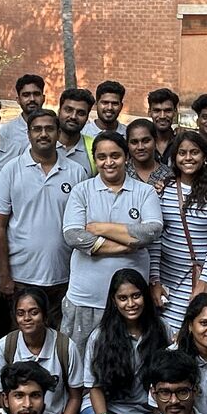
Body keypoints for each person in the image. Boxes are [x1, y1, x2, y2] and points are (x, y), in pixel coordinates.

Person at [60, 131, 164, 347]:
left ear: (126, 157)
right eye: (101, 157)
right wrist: (127, 246)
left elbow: (152, 231)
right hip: (87, 296)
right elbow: (73, 235)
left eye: (115, 156)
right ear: (95, 159)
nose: (109, 162)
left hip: (131, 300)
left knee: (129, 360)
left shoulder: (145, 192)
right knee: (79, 363)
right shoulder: (82, 191)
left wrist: (101, 228)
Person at [0, 107, 86, 319]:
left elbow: (83, 225)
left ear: (58, 133)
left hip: (64, 276)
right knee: (18, 341)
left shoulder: (76, 172)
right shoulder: (11, 170)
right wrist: (4, 274)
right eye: (37, 129)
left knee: (58, 341)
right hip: (21, 276)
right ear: (28, 134)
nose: (43, 134)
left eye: (49, 129)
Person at [80, 269, 171, 414]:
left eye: (136, 296)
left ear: (145, 297)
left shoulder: (162, 329)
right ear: (114, 301)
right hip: (104, 409)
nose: (130, 303)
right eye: (123, 298)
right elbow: (94, 387)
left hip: (144, 413)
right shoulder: (100, 336)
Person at [154, 130, 207, 338]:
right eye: (182, 153)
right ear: (174, 158)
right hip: (167, 281)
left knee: (191, 337)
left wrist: (204, 282)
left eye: (194, 152)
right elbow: (155, 239)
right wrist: (155, 280)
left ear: (205, 157)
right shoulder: (164, 189)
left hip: (197, 280)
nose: (188, 158)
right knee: (165, 338)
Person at [0, 286, 81, 414]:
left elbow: (75, 397)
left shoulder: (65, 347)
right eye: (20, 313)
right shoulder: (4, 347)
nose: (27, 318)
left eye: (34, 312)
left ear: (44, 315)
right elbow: (0, 392)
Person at [0, 72, 47, 155]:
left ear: (43, 98)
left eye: (36, 94)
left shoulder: (54, 127)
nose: (32, 99)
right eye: (26, 95)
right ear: (18, 100)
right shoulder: (7, 131)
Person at [53, 85, 95, 173]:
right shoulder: (42, 143)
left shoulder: (95, 148)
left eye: (81, 113)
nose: (73, 117)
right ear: (59, 111)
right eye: (68, 110)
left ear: (87, 117)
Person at [124, 117, 169, 190]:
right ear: (127, 144)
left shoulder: (169, 175)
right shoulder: (121, 173)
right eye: (134, 142)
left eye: (146, 141)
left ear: (155, 141)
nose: (140, 147)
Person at [144, 86, 180, 156]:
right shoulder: (142, 143)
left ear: (175, 112)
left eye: (168, 111)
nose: (162, 116)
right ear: (149, 112)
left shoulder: (181, 141)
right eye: (157, 111)